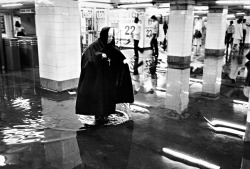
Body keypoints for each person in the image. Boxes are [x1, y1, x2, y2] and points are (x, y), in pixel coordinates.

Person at [75, 26, 134, 124]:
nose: (110, 38)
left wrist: (123, 62)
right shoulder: (94, 47)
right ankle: (99, 117)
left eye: (112, 36)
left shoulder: (111, 47)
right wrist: (99, 57)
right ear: (103, 35)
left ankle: (105, 115)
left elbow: (118, 58)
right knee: (99, 100)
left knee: (108, 99)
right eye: (108, 36)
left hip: (108, 81)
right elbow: (88, 60)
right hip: (98, 81)